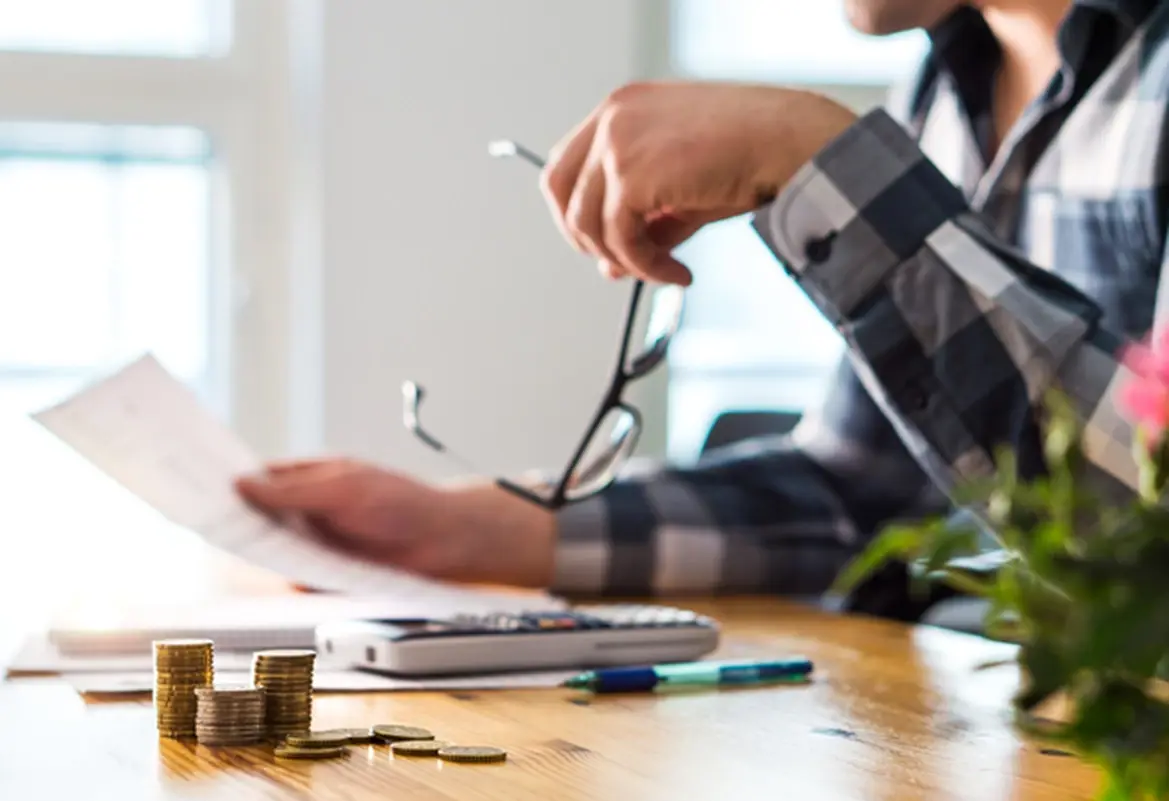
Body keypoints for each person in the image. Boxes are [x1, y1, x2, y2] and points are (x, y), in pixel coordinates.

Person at [236, 0, 1168, 601]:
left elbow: (1149, 553)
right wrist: (462, 529)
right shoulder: (942, 92)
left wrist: (818, 160)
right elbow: (861, 499)